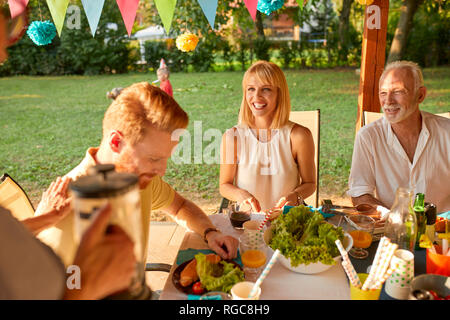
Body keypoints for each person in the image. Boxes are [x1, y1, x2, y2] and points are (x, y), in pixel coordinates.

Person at [36, 81, 238, 270]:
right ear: (116, 142)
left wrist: (210, 233)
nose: (162, 170)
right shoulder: (65, 208)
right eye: (153, 158)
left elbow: (179, 207)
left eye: (165, 158)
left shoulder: (141, 179)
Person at [348, 60, 450, 214]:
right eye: (383, 93)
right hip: (391, 231)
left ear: (420, 95)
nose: (388, 101)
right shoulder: (368, 137)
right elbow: (359, 193)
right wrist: (392, 217)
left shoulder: (447, 132)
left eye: (398, 92)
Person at [219, 60, 316, 213]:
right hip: (247, 223)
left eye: (266, 89)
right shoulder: (233, 137)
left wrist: (295, 196)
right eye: (251, 89)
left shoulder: (299, 136)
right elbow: (224, 185)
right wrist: (241, 195)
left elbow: (310, 183)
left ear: (279, 94)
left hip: (287, 222)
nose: (256, 96)